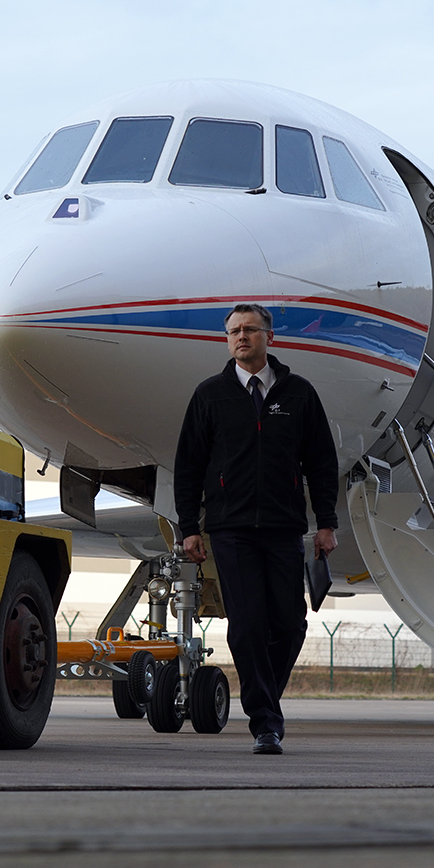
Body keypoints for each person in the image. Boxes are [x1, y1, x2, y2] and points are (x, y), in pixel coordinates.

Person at [173, 303, 339, 755]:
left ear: (270, 336)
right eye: (233, 332)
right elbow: (188, 466)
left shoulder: (299, 393)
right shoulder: (210, 395)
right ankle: (266, 722)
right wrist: (189, 528)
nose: (241, 337)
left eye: (249, 329)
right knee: (247, 626)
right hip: (231, 529)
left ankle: (265, 698)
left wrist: (326, 522)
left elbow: (321, 462)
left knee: (289, 624)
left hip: (284, 527)